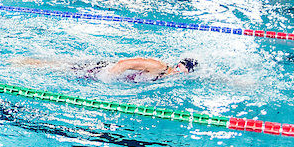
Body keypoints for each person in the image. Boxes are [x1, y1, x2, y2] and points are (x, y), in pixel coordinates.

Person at [17, 56, 196, 83]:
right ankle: (24, 63)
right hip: (102, 70)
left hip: (106, 73)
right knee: (61, 69)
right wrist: (106, 78)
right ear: (180, 66)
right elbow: (124, 64)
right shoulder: (159, 67)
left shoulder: (165, 76)